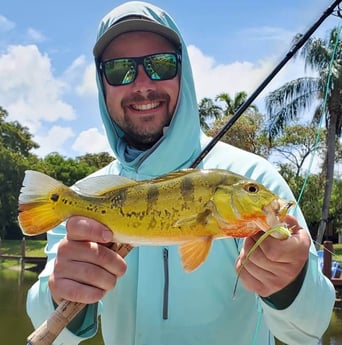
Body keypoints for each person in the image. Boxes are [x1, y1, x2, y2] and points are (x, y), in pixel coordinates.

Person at [26, 2, 335, 345]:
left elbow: (310, 329)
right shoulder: (83, 198)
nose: (142, 83)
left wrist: (292, 281)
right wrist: (60, 292)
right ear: (102, 84)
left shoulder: (253, 175)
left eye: (160, 65)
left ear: (183, 72)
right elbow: (52, 333)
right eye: (119, 70)